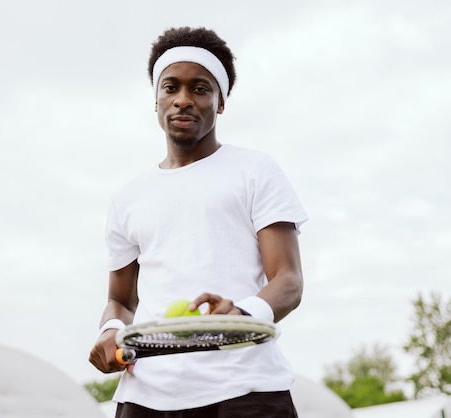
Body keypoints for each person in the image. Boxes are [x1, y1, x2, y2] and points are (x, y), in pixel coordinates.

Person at [88, 27, 307, 418]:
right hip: (145, 395)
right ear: (156, 100)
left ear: (220, 102)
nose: (183, 100)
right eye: (170, 88)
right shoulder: (127, 197)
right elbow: (120, 301)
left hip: (247, 388)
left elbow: (288, 281)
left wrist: (239, 314)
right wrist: (108, 332)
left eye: (200, 89)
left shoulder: (255, 170)